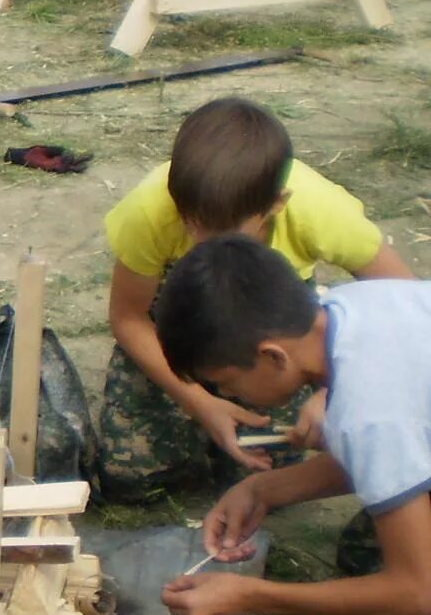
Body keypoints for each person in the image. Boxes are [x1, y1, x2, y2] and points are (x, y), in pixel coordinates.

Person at [97, 97, 410, 501]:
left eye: (227, 234)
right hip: (180, 323)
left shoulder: (321, 211)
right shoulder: (150, 209)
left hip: (268, 324)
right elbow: (129, 318)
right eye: (193, 227)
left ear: (276, 205)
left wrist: (334, 394)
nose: (205, 245)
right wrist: (197, 401)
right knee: (134, 480)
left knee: (262, 473)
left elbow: (401, 302)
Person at [156, 237, 431, 615]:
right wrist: (265, 489)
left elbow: (418, 589)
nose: (229, 399)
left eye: (226, 384)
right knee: (364, 554)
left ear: (271, 356)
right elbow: (402, 442)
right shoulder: (348, 306)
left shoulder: (369, 414)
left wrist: (256, 597)